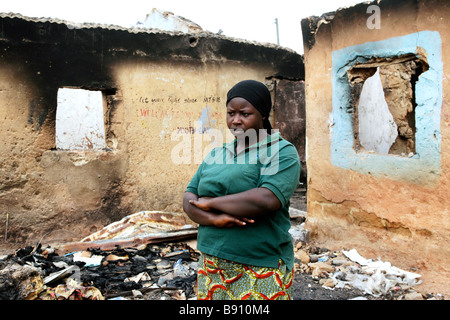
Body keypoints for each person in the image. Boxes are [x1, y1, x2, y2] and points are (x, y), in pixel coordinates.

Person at [183, 80, 301, 300]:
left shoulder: (281, 151)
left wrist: (210, 203)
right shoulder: (217, 153)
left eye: (245, 114)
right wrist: (214, 220)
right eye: (230, 113)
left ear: (263, 115)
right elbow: (189, 197)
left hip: (259, 265)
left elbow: (267, 199)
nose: (235, 120)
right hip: (212, 262)